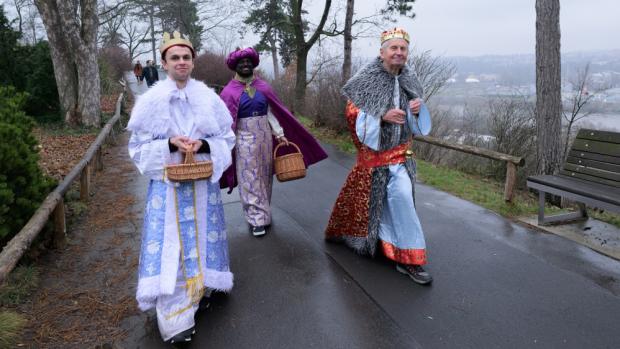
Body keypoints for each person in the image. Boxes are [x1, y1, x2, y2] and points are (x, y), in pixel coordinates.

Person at [127, 31, 235, 344]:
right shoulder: (149, 102)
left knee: (201, 240)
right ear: (164, 63)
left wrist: (201, 144)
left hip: (201, 185)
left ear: (193, 61)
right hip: (168, 189)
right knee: (171, 245)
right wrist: (169, 144)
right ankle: (175, 315)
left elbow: (226, 139)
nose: (182, 62)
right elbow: (138, 147)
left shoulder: (209, 99)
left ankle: (201, 288)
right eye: (175, 57)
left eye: (186, 57)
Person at [325, 28, 434, 285]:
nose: (398, 52)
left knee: (401, 199)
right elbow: (353, 114)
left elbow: (417, 124)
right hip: (374, 160)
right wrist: (381, 116)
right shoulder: (366, 80)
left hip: (400, 158)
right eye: (393, 48)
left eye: (403, 48)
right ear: (382, 52)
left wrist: (416, 111)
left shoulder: (410, 79)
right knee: (379, 207)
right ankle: (384, 246)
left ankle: (410, 260)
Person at [219, 47, 327, 237]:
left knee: (264, 177)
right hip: (243, 138)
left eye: (248, 62)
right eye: (241, 62)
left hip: (265, 138)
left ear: (253, 64)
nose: (245, 64)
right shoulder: (229, 92)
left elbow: (271, 112)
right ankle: (256, 219)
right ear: (235, 66)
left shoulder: (263, 87)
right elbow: (226, 120)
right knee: (249, 178)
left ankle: (263, 211)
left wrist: (279, 133)